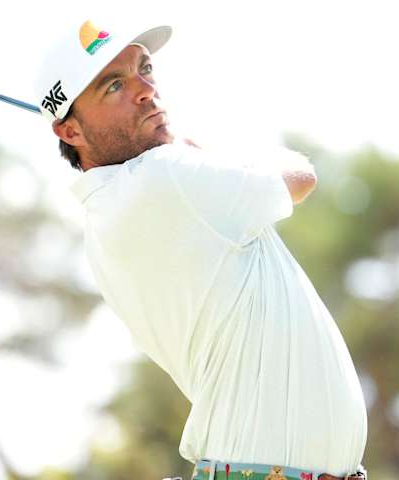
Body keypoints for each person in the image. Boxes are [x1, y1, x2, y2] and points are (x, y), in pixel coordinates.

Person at [37, 20, 368, 480]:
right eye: (114, 85)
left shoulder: (118, 206)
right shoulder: (162, 178)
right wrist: (205, 149)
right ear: (70, 131)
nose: (145, 91)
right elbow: (301, 177)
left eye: (144, 69)